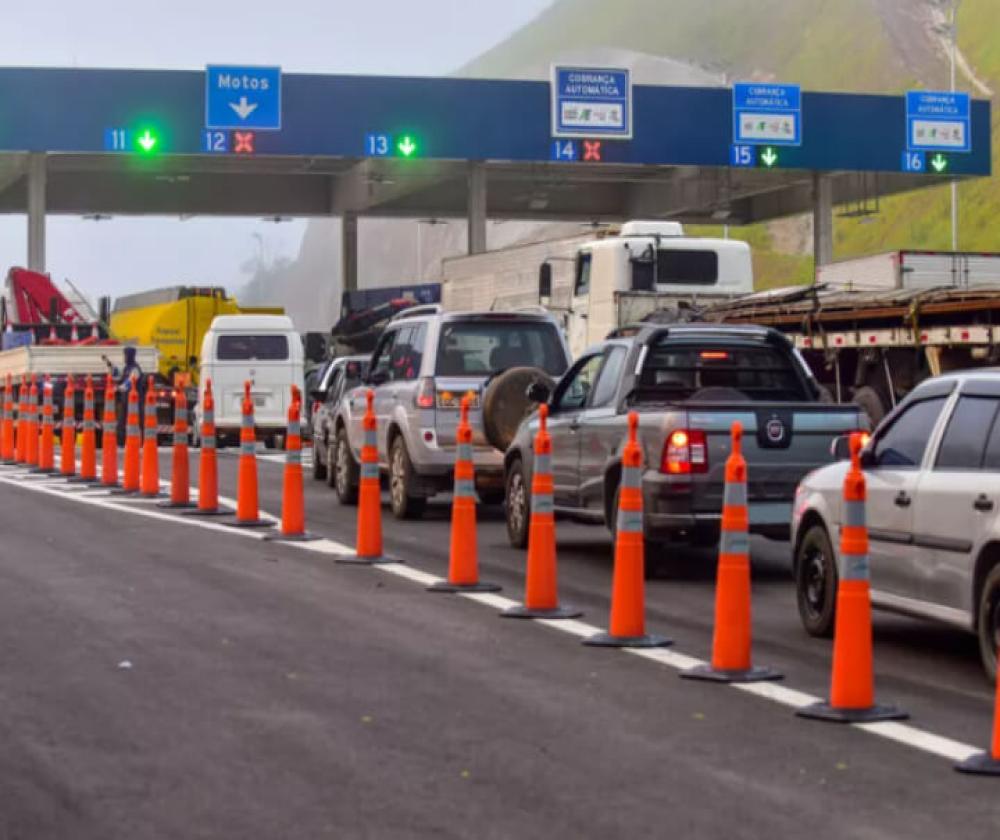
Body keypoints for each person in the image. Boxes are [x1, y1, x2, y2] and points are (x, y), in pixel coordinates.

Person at [106, 347, 145, 444]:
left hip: (135, 403)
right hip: (125, 401)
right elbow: (119, 377)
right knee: (121, 424)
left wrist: (116, 389)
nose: (124, 358)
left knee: (137, 423)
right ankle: (121, 443)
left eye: (126, 355)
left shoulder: (136, 369)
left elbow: (128, 384)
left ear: (130, 356)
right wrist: (111, 366)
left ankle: (140, 443)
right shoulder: (126, 368)